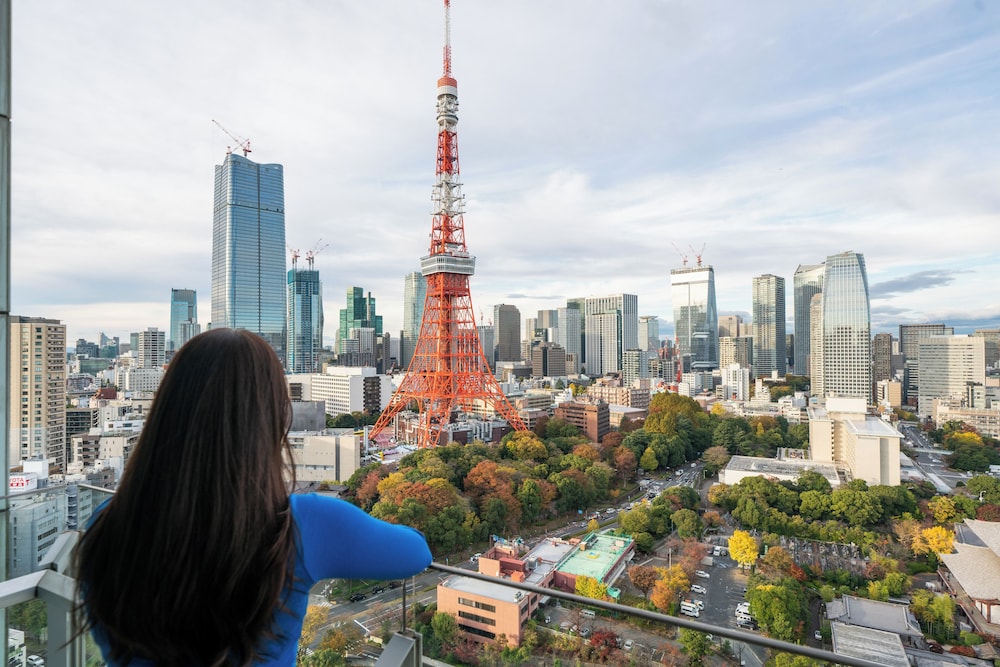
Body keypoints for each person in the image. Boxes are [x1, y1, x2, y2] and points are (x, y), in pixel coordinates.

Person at [75, 329, 432, 665]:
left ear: (165, 409)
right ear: (273, 418)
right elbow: (416, 552)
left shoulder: (108, 523)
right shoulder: (301, 525)